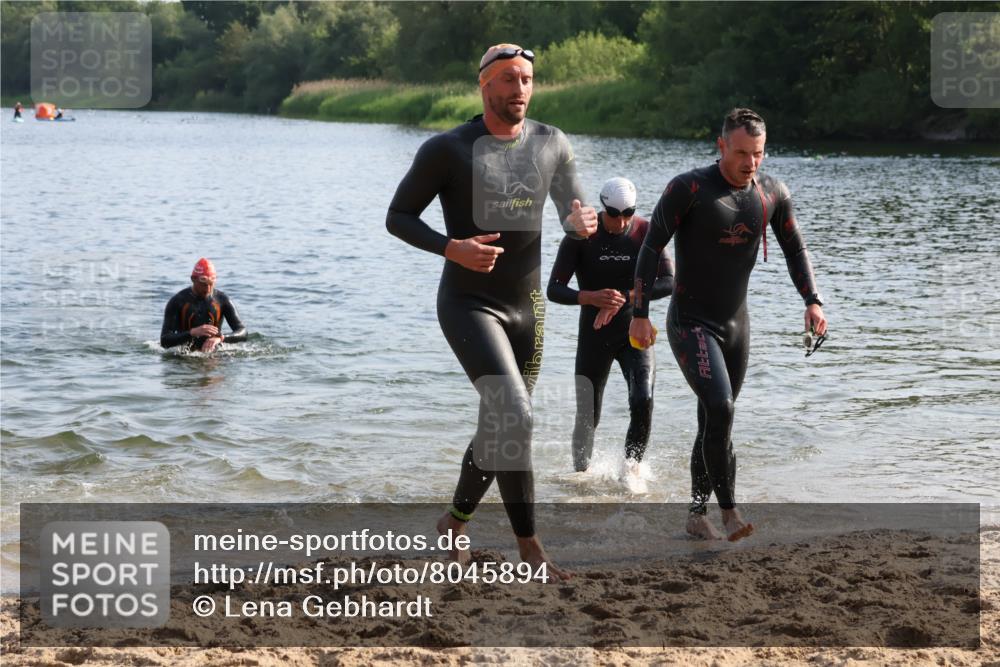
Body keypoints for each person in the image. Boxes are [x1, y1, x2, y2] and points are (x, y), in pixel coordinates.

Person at [386, 43, 597, 578]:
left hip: (526, 306)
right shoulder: (448, 149)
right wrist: (449, 247)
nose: (519, 88)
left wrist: (582, 224)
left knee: (505, 426)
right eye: (507, 79)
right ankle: (530, 549)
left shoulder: (552, 143)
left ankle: (455, 522)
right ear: (485, 86)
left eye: (526, 78)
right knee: (516, 415)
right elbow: (398, 216)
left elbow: (574, 211)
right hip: (467, 301)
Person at [629, 108, 828, 541]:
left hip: (735, 326)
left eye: (757, 153)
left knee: (715, 421)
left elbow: (795, 249)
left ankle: (696, 515)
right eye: (741, 153)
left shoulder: (772, 192)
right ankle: (730, 512)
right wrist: (640, 313)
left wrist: (811, 300)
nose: (750, 162)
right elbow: (650, 247)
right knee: (721, 407)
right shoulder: (689, 188)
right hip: (690, 321)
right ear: (721, 146)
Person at [547, 177, 673, 485]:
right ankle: (580, 477)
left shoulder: (645, 232)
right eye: (615, 214)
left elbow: (669, 281)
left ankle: (631, 472)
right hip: (594, 334)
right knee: (588, 415)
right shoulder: (581, 235)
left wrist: (625, 297)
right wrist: (589, 297)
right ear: (603, 208)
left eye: (628, 212)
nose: (622, 220)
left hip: (634, 330)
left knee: (643, 399)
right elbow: (554, 288)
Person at [161, 258, 247, 352]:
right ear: (193, 279)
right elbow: (165, 340)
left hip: (214, 355)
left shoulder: (222, 300)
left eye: (211, 284)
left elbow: (243, 332)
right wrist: (192, 333)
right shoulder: (178, 301)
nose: (208, 289)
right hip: (185, 357)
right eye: (204, 284)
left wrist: (221, 338)